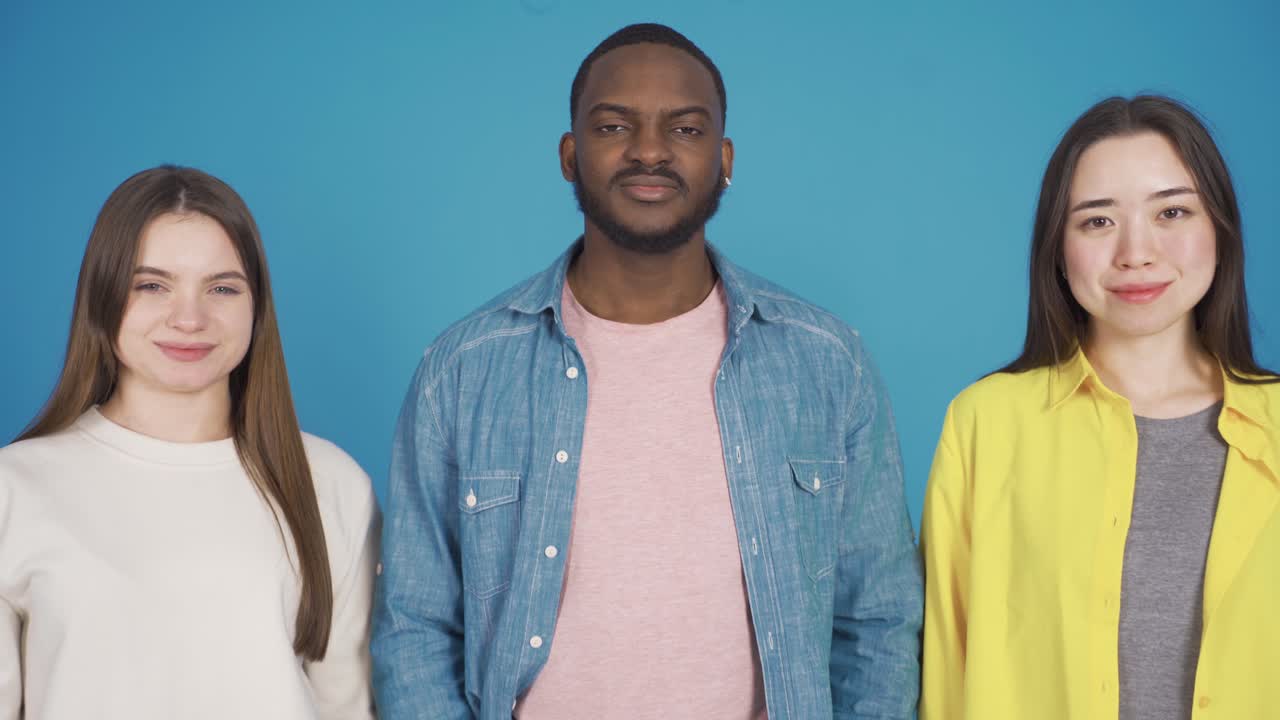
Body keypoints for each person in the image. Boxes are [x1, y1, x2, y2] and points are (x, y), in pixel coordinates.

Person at [371, 22, 922, 720]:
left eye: (685, 129)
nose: (650, 151)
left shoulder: (826, 362)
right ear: (570, 155)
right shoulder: (463, 369)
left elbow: (877, 622)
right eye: (614, 126)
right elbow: (415, 627)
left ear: (724, 159)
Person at [920, 95, 1280, 720]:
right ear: (1057, 249)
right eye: (1097, 221)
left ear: (1220, 230)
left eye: (1172, 212)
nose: (1136, 252)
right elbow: (946, 670)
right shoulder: (985, 423)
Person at [0, 165, 379, 719]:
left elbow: (346, 705)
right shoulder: (15, 487)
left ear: (257, 306)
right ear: (103, 296)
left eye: (222, 288)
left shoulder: (331, 483)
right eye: (152, 285)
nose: (190, 318)